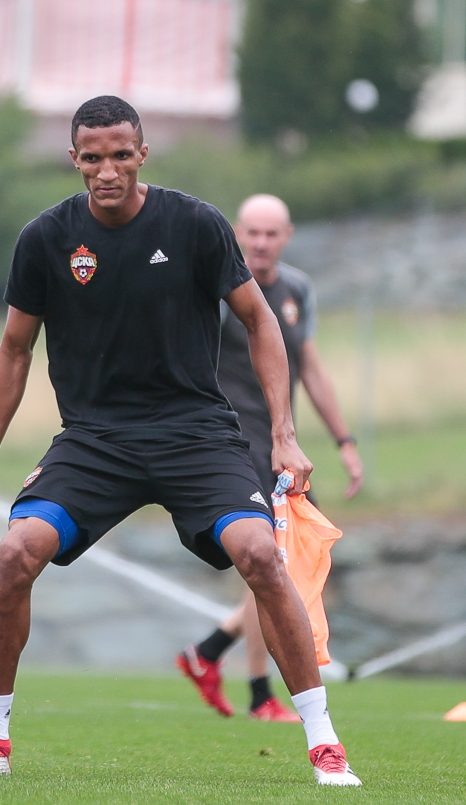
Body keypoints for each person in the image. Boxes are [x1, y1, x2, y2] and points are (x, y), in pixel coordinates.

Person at [0, 97, 360, 786]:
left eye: (120, 155)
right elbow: (14, 350)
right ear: (73, 160)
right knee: (16, 553)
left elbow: (261, 322)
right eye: (92, 158)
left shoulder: (195, 224)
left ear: (142, 154)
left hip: (196, 434)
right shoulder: (45, 238)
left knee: (262, 554)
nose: (107, 170)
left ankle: (324, 743)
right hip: (94, 442)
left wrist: (284, 435)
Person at [177, 193, 364, 723]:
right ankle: (259, 693)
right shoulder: (218, 288)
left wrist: (345, 441)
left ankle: (209, 652)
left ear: (287, 236)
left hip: (281, 446)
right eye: (252, 233)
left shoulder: (297, 289)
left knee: (288, 563)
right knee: (275, 565)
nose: (260, 243)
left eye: (271, 233)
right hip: (232, 445)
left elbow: (311, 370)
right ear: (237, 233)